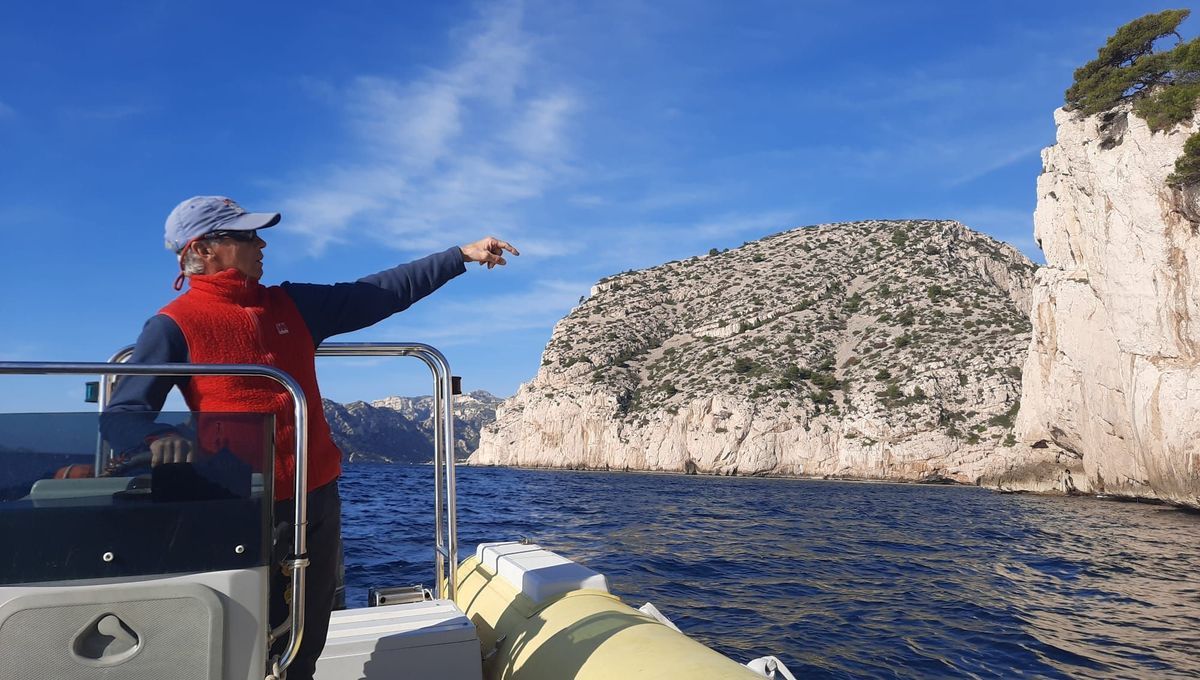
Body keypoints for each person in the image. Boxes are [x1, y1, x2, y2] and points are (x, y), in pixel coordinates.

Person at [103, 195, 517, 679]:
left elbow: (380, 292)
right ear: (204, 248)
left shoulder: (293, 304)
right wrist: (157, 439)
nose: (262, 245)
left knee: (308, 636)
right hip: (237, 508)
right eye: (247, 236)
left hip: (317, 498)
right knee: (241, 640)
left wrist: (460, 255)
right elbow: (122, 417)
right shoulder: (173, 325)